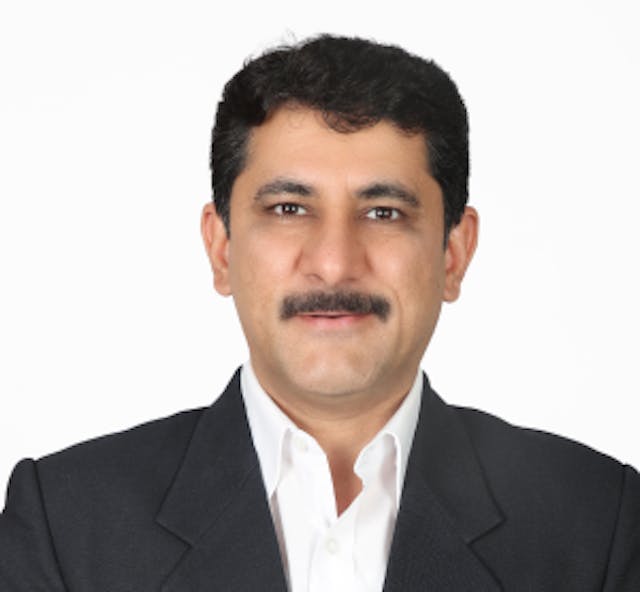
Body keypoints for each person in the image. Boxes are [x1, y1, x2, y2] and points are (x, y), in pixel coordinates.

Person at [0, 35, 638, 591]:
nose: (334, 264)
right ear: (221, 249)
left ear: (453, 253)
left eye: (383, 212)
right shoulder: (66, 524)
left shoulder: (598, 523)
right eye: (288, 209)